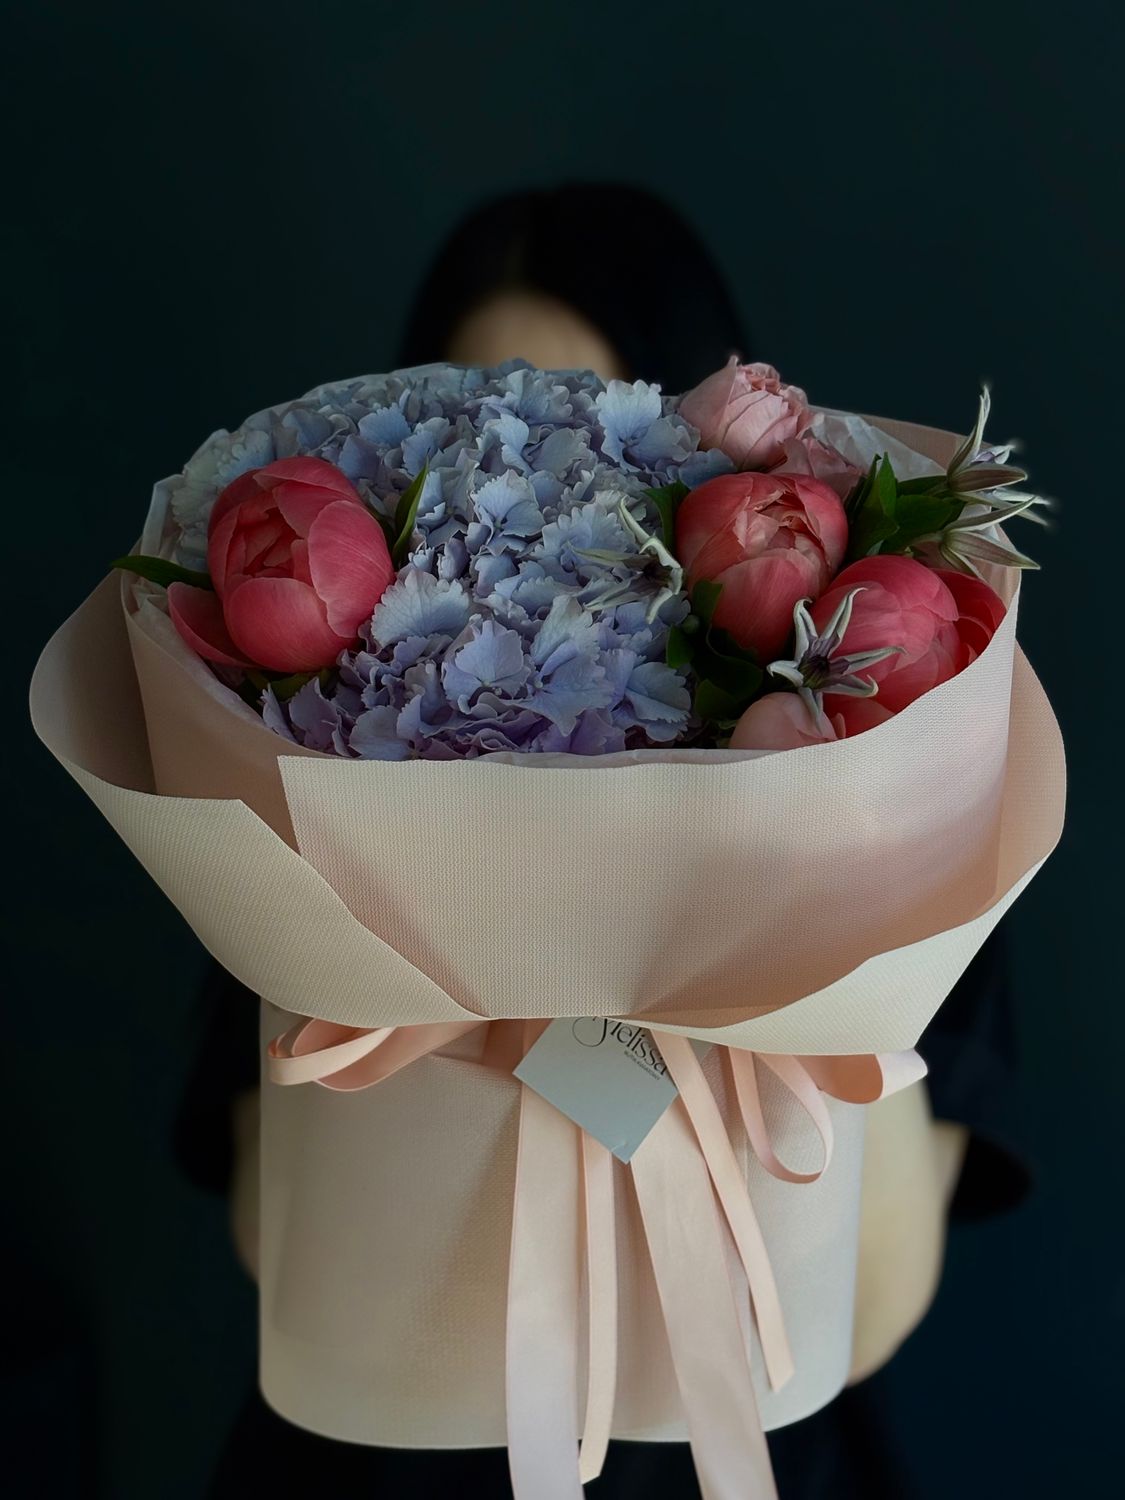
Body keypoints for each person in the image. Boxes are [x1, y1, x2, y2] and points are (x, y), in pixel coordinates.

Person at [177, 184, 1029, 1499]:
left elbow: (865, 1305)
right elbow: (274, 1237)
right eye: (480, 426)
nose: (526, 484)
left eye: (596, 428)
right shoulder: (290, 816)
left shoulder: (882, 811)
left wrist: (759, 943)